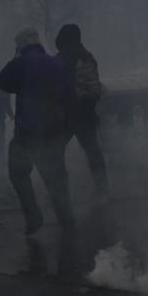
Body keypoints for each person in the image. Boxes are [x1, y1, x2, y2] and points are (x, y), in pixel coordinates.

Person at [0, 27, 73, 235]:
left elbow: (1, 82)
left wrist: (15, 58)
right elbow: (69, 94)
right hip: (54, 130)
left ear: (20, 45)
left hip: (27, 132)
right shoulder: (57, 64)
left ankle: (33, 217)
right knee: (56, 178)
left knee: (18, 173)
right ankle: (67, 221)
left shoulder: (19, 63)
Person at [54, 24, 108, 197]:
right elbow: (94, 90)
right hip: (84, 113)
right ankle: (102, 190)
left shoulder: (60, 59)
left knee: (56, 152)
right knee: (93, 152)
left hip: (66, 115)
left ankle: (60, 191)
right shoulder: (86, 57)